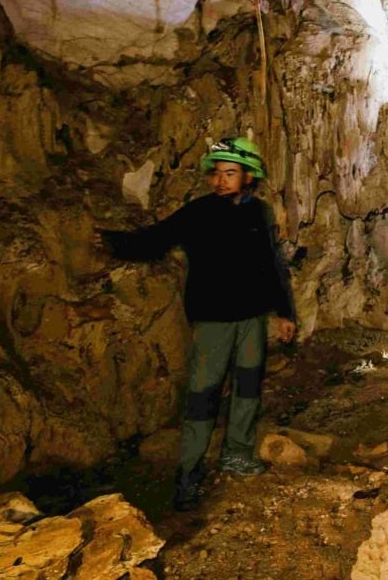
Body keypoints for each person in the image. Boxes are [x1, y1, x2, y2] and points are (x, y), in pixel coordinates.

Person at [99, 136, 296, 512]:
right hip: (213, 319)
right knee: (203, 394)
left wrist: (285, 312)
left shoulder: (260, 212)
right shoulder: (198, 213)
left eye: (230, 173)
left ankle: (237, 453)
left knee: (248, 388)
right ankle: (188, 472)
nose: (220, 180)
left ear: (248, 176)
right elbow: (155, 240)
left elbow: (272, 264)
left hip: (252, 318)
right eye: (217, 173)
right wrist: (110, 242)